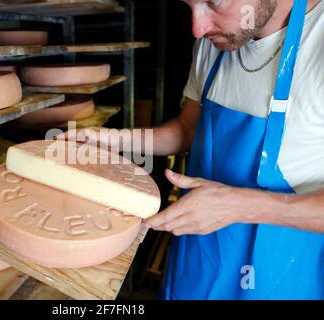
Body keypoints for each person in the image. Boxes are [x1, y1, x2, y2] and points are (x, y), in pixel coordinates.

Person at [57, 0, 324, 299]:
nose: (198, 28)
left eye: (214, 3)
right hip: (196, 257)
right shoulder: (215, 45)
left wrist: (237, 206)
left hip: (276, 278)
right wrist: (115, 140)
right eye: (190, 5)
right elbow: (186, 130)